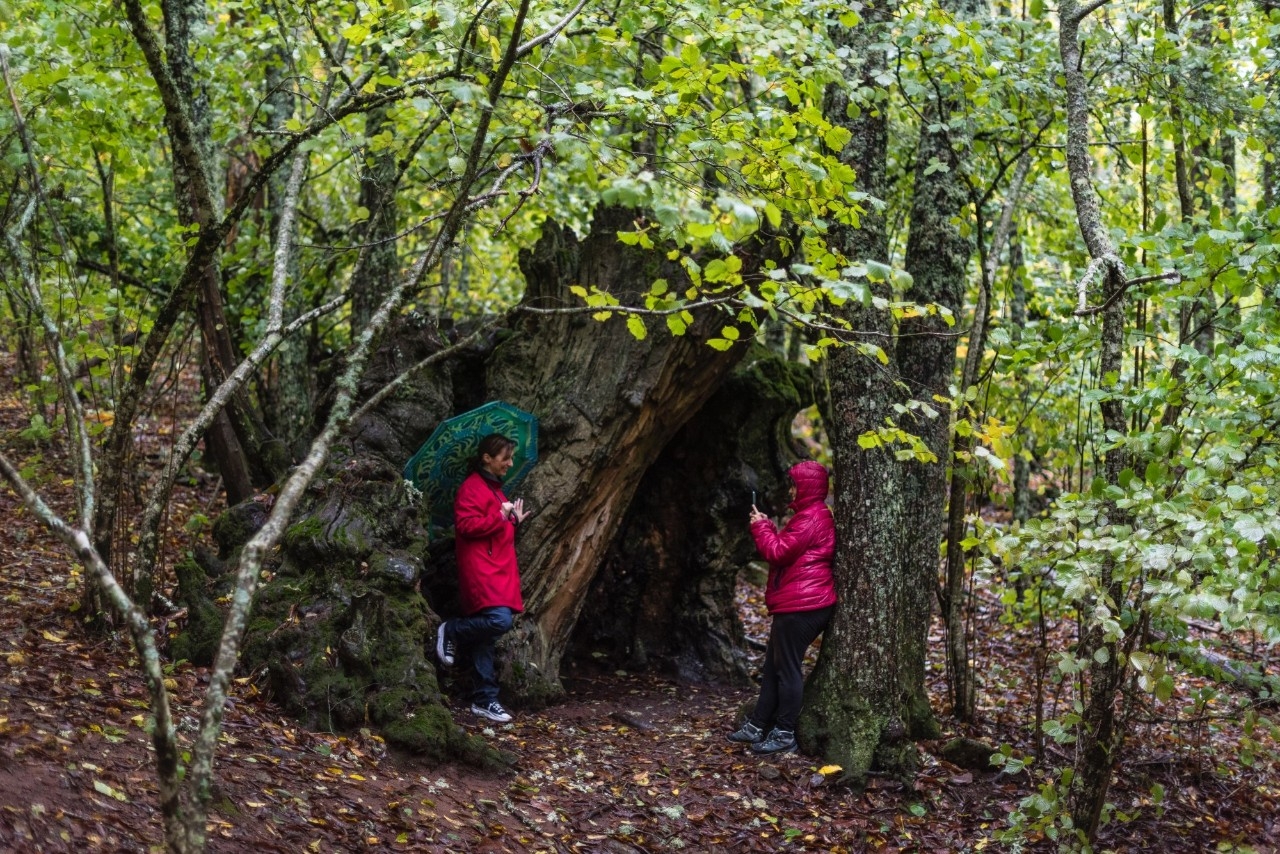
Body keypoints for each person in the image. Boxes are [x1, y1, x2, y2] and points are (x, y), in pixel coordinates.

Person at [728, 460, 837, 755]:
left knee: (787, 669)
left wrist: (761, 527)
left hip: (804, 605)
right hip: (799, 603)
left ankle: (784, 732)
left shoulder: (811, 517)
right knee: (774, 666)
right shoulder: (810, 516)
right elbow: (789, 549)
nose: (790, 489)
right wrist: (769, 527)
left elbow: (777, 552)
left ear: (806, 487)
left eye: (793, 484)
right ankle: (758, 724)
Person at [435, 433, 531, 723]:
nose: (510, 463)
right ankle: (451, 629)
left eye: (512, 457)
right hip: (481, 570)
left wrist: (513, 520)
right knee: (499, 621)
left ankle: (485, 700)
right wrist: (501, 518)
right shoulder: (471, 488)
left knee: (486, 639)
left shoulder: (498, 491)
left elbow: (496, 527)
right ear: (487, 458)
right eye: (505, 457)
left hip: (499, 570)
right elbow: (465, 526)